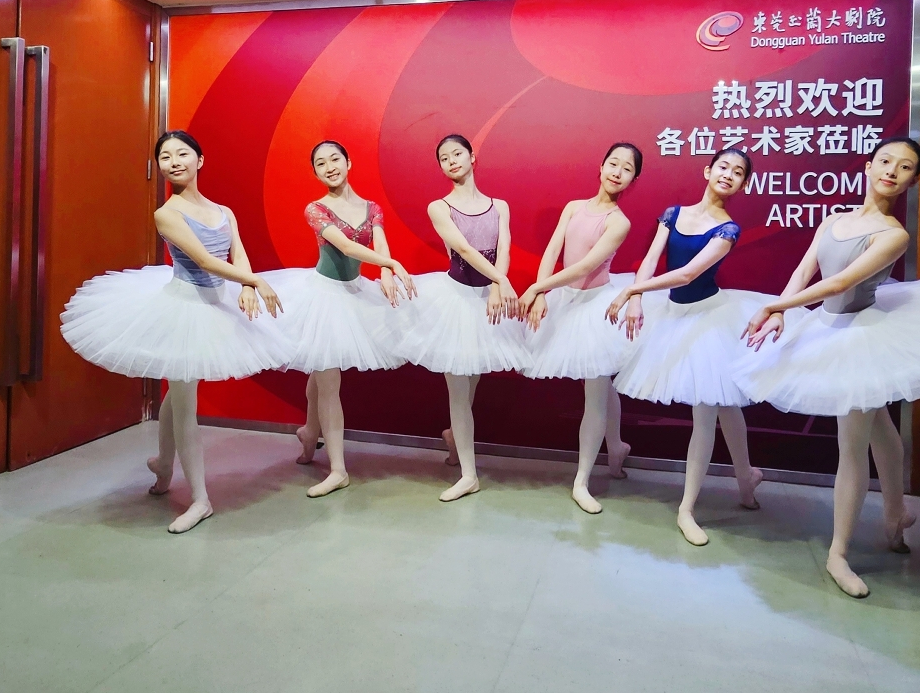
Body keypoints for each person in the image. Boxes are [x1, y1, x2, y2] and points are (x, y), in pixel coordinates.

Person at [738, 137, 920, 598]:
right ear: (868, 166)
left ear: (913, 179)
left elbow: (841, 282)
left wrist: (775, 307)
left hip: (862, 334)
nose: (892, 170)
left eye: (905, 167)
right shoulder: (832, 220)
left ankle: (838, 553)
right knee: (880, 426)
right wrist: (781, 311)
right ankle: (895, 516)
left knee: (852, 445)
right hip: (826, 326)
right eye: (886, 161)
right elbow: (804, 272)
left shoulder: (894, 234)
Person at [61, 131, 292, 534]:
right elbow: (204, 260)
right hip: (184, 307)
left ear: (200, 160)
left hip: (214, 305)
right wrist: (254, 282)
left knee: (181, 385)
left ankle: (165, 465)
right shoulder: (166, 214)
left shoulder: (224, 211)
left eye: (182, 154)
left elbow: (236, 252)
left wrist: (246, 285)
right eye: (165, 157)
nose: (174, 162)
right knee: (186, 405)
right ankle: (201, 499)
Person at [606, 148, 783, 546]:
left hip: (709, 319)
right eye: (723, 167)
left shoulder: (728, 230)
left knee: (707, 410)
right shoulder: (673, 214)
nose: (728, 174)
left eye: (738, 172)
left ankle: (686, 508)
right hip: (672, 314)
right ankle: (746, 479)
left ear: (743, 184)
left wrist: (632, 290)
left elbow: (686, 275)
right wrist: (637, 296)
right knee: (725, 403)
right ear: (708, 171)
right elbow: (651, 258)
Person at [266, 140, 417, 498]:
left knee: (321, 369)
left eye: (335, 159)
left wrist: (385, 272)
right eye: (321, 163)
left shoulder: (372, 207)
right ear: (315, 173)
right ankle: (338, 470)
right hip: (324, 296)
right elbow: (347, 247)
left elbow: (379, 242)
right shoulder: (316, 209)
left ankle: (309, 433)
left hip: (354, 293)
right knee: (328, 378)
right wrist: (391, 264)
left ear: (349, 162)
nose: (330, 167)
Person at [383, 134, 529, 501]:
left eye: (457, 154)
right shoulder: (439, 207)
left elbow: (504, 248)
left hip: (486, 299)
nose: (451, 161)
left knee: (472, 378)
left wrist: (496, 285)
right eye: (444, 158)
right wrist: (501, 281)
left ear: (472, 156)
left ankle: (453, 436)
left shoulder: (500, 205)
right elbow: (463, 248)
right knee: (459, 391)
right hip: (455, 300)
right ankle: (469, 475)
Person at [518, 143, 643, 514]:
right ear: (601, 166)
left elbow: (587, 265)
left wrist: (539, 288)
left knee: (596, 391)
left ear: (633, 179)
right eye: (613, 163)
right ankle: (617, 446)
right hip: (564, 299)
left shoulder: (619, 222)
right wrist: (541, 292)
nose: (617, 172)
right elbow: (553, 250)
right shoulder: (574, 207)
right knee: (601, 386)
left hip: (597, 308)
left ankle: (582, 481)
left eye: (627, 168)